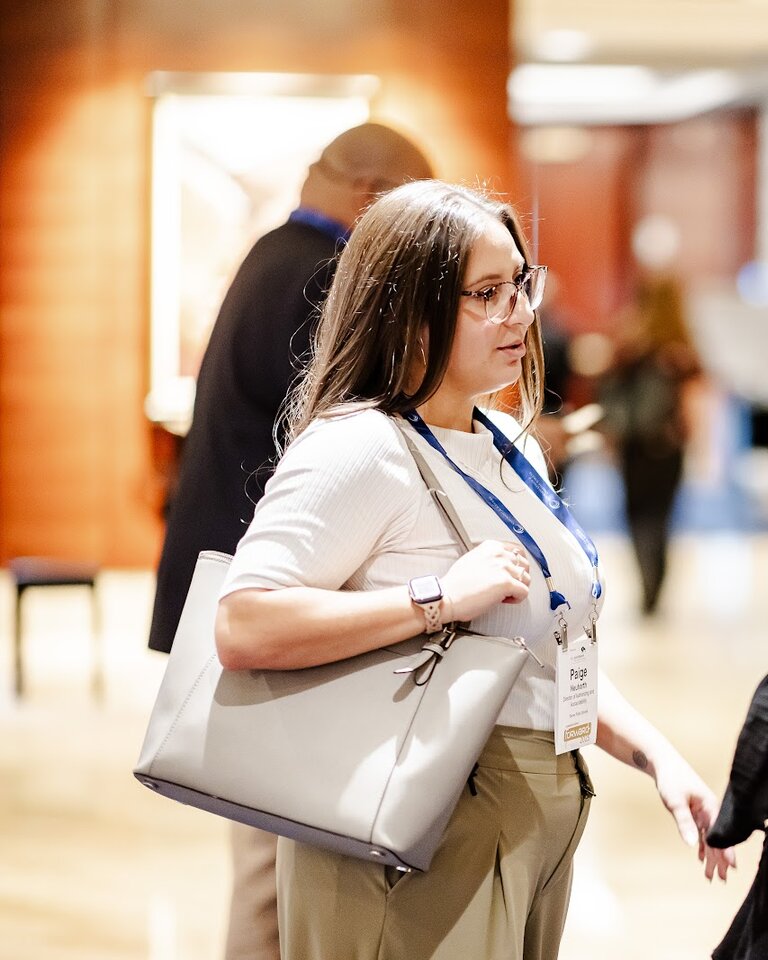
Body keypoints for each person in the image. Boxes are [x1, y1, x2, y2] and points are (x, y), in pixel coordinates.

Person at [212, 179, 733, 960]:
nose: (520, 313)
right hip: (418, 835)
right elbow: (243, 622)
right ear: (410, 311)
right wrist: (437, 598)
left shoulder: (507, 444)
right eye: (487, 293)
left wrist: (656, 754)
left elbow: (546, 650)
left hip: (532, 817)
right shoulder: (362, 446)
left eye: (521, 284)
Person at [145, 122, 432, 960]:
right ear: (372, 199)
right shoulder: (318, 275)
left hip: (244, 584)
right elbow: (354, 427)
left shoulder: (276, 254)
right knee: (273, 866)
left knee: (268, 857)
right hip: (264, 597)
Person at [598, 274, 701, 615]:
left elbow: (608, 386)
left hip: (635, 444)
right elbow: (696, 389)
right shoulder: (679, 342)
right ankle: (654, 587)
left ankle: (648, 587)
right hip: (667, 443)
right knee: (661, 516)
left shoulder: (630, 337)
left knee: (638, 514)